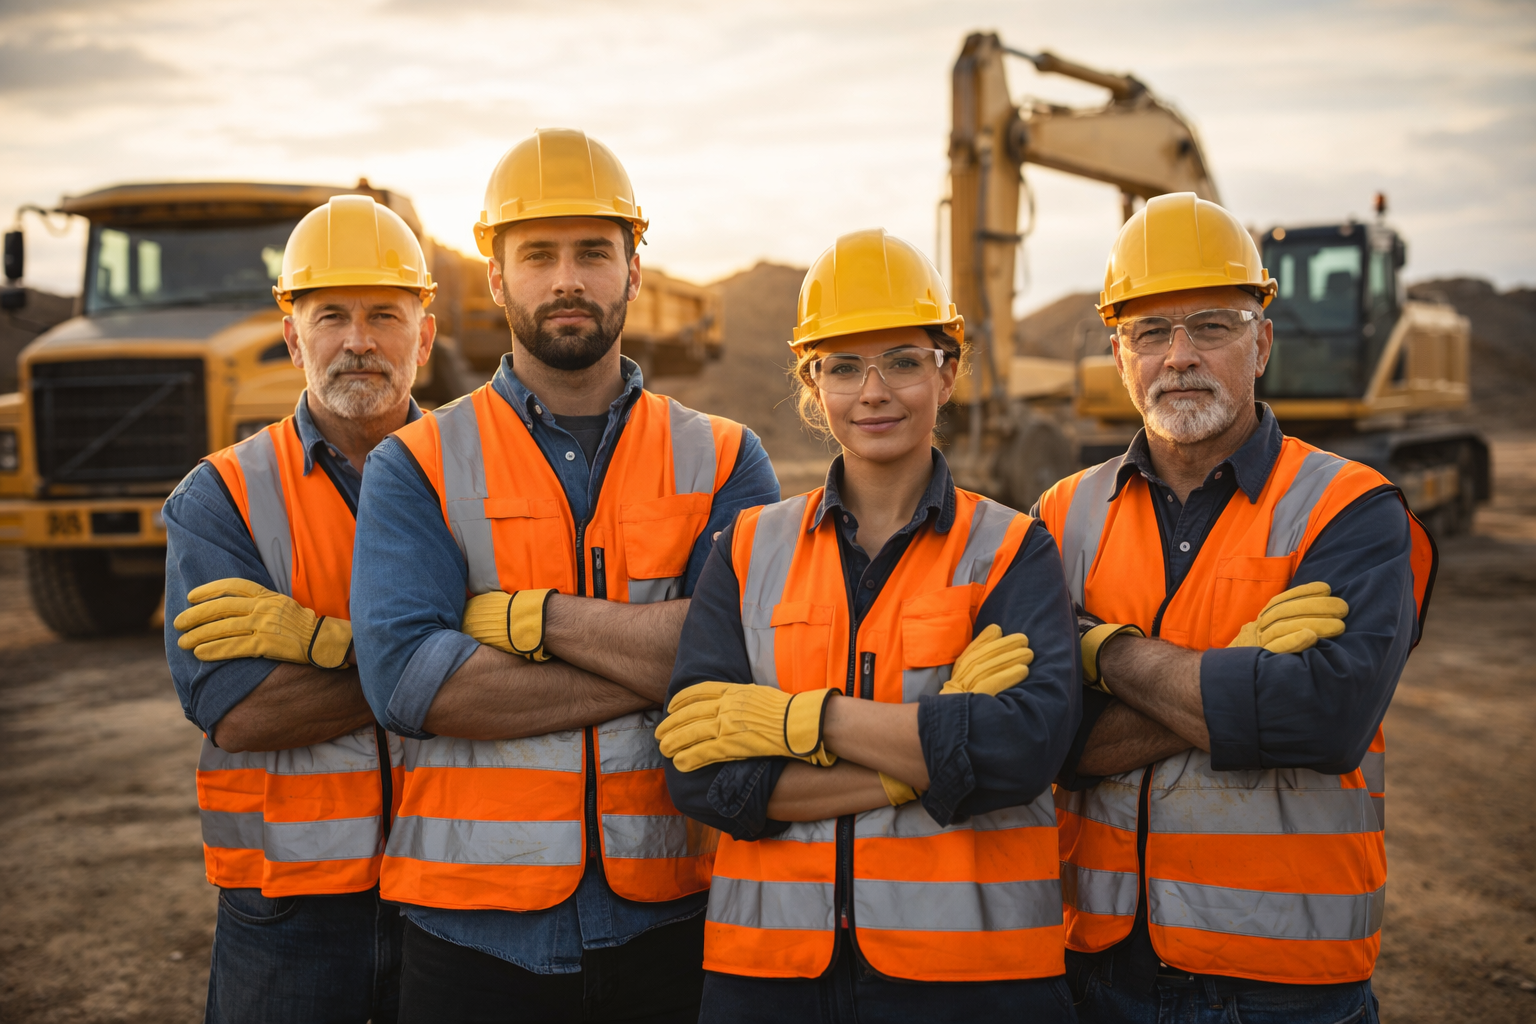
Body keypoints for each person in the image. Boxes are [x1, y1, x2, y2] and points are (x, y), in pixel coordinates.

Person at [348, 128, 781, 1024]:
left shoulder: (726, 455)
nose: (568, 279)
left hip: (680, 908)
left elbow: (750, 659)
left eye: (594, 252)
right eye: (537, 255)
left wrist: (527, 621)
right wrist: (662, 659)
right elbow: (407, 684)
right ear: (496, 275)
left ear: (633, 266)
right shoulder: (416, 463)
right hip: (470, 934)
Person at [658, 228, 1082, 1023]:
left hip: (971, 979)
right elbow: (704, 779)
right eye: (843, 367)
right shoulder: (747, 550)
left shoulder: (1012, 550)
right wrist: (929, 754)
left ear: (947, 371)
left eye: (901, 361)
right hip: (771, 977)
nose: (873, 392)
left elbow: (1020, 750)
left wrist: (799, 720)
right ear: (812, 385)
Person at [1036, 193, 1435, 1023]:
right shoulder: (1059, 515)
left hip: (1281, 978)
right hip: (1094, 968)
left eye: (1212, 326)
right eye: (1150, 332)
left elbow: (1320, 721)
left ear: (1262, 343)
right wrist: (1237, 677)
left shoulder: (1351, 510)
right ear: (1119, 354)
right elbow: (1037, 738)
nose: (1179, 356)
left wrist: (1106, 656)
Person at [164, 194, 438, 1023]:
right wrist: (438, 671)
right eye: (331, 316)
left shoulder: (480, 478)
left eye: (385, 314)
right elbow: (239, 708)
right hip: (289, 903)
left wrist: (322, 646)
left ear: (424, 335)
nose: (358, 340)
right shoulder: (222, 497)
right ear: (293, 338)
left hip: (457, 888)